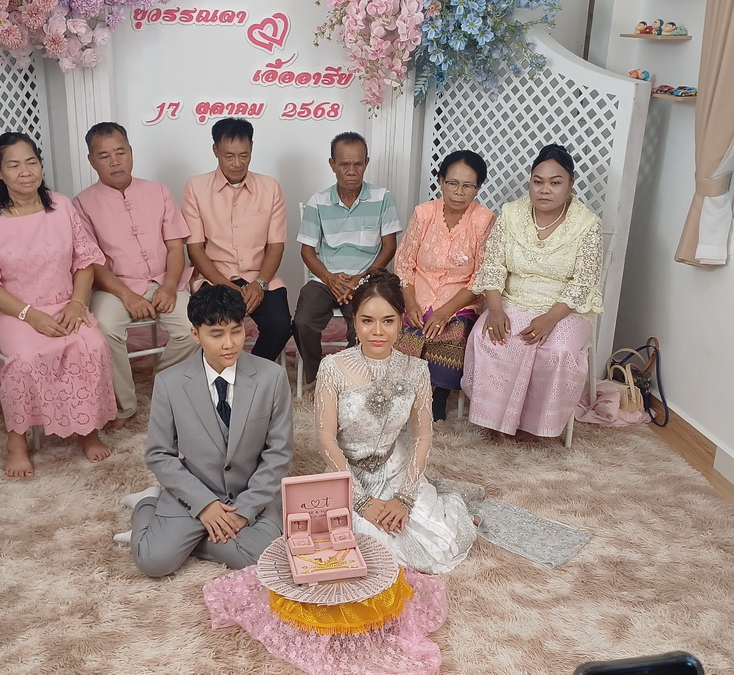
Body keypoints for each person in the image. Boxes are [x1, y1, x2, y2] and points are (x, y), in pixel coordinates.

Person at [0, 132, 117, 477]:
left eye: (31, 162)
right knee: (25, 359)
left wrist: (78, 303)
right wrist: (29, 315)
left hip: (65, 302)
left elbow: (84, 261)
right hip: (14, 312)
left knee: (91, 345)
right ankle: (16, 443)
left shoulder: (61, 205)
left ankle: (87, 430)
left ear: (41, 165)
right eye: (14, 165)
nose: (25, 172)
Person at [115, 284, 294, 576]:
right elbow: (159, 454)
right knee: (153, 561)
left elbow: (279, 453)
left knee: (265, 558)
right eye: (216, 334)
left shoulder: (272, 377)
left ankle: (183, 542)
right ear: (196, 334)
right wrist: (204, 505)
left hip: (249, 492)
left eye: (236, 331)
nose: (229, 344)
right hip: (194, 490)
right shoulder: (169, 383)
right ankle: (147, 503)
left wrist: (245, 511)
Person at [314, 271, 476, 574]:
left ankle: (440, 506)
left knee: (436, 546)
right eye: (367, 320)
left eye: (388, 321)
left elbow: (422, 437)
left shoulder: (416, 369)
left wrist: (405, 497)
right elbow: (326, 439)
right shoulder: (333, 367)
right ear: (354, 320)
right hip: (345, 474)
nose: (377, 331)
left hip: (395, 467)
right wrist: (360, 501)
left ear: (401, 321)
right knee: (360, 552)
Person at [462, 144, 603, 441]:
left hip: (564, 309)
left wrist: (549, 319)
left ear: (570, 184)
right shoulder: (510, 214)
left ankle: (535, 426)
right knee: (490, 337)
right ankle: (493, 418)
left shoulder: (587, 224)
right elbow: (493, 266)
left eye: (555, 182)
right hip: (512, 300)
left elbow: (583, 282)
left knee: (558, 350)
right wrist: (495, 309)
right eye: (538, 181)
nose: (545, 189)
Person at [73, 122, 198, 430]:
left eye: (121, 152)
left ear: (131, 153)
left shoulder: (158, 192)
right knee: (104, 329)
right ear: (91, 161)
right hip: (115, 287)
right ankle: (125, 405)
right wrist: (127, 296)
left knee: (193, 328)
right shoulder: (81, 204)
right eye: (104, 156)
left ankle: (164, 384)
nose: (115, 161)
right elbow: (92, 264)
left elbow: (175, 247)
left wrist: (169, 287)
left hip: (163, 280)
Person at [393, 150, 496, 421]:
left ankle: (438, 394)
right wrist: (410, 303)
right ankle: (407, 391)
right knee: (402, 333)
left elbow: (481, 277)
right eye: (452, 183)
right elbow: (403, 263)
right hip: (418, 295)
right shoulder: (424, 213)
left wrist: (444, 311)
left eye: (468, 186)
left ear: (478, 188)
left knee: (452, 334)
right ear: (441, 181)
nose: (459, 192)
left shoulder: (484, 220)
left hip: (459, 302)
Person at [293, 131, 402, 387]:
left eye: (358, 164)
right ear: (332, 164)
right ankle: (319, 376)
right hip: (326, 280)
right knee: (302, 321)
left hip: (367, 279)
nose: (351, 171)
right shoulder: (318, 202)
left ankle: (354, 379)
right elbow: (307, 251)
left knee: (363, 324)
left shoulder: (383, 198)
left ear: (366, 163)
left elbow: (389, 247)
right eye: (344, 164)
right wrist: (330, 279)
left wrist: (361, 279)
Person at [182, 117, 291, 363]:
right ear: (215, 150)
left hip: (260, 277)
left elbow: (276, 245)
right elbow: (195, 249)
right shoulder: (196, 188)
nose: (237, 163)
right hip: (213, 278)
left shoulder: (270, 187)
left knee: (280, 325)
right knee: (215, 325)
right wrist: (224, 286)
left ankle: (252, 372)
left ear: (252, 148)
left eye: (244, 155)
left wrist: (260, 284)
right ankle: (221, 369)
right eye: (229, 156)